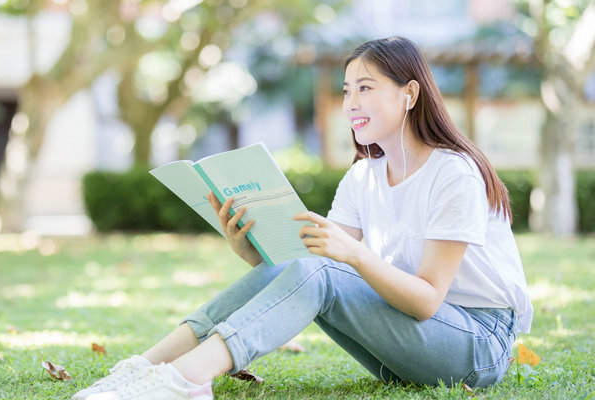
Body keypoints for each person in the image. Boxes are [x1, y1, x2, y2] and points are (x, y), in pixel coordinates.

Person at [73, 36, 533, 400]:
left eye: (366, 88)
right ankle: (145, 368)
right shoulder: (362, 179)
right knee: (302, 262)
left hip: (477, 345)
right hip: (405, 343)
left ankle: (188, 378)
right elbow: (306, 274)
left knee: (326, 266)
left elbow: (428, 300)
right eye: (347, 90)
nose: (351, 102)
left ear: (410, 93)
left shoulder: (452, 171)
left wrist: (352, 254)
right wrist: (251, 251)